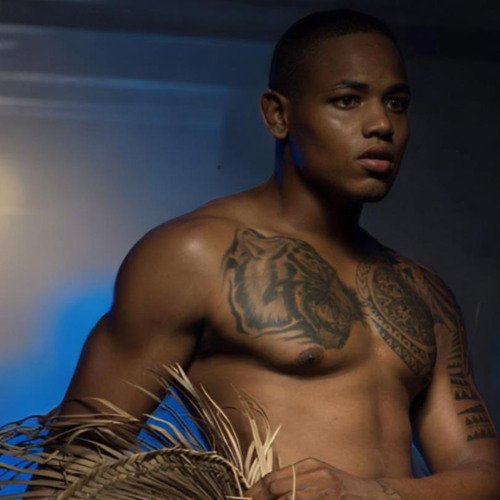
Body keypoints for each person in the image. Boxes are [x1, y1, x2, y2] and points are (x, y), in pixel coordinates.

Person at [57, 9, 500, 499]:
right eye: (347, 100)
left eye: (396, 103)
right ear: (278, 115)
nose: (381, 124)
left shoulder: (422, 291)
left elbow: (483, 475)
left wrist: (364, 494)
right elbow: (68, 469)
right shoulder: (193, 256)